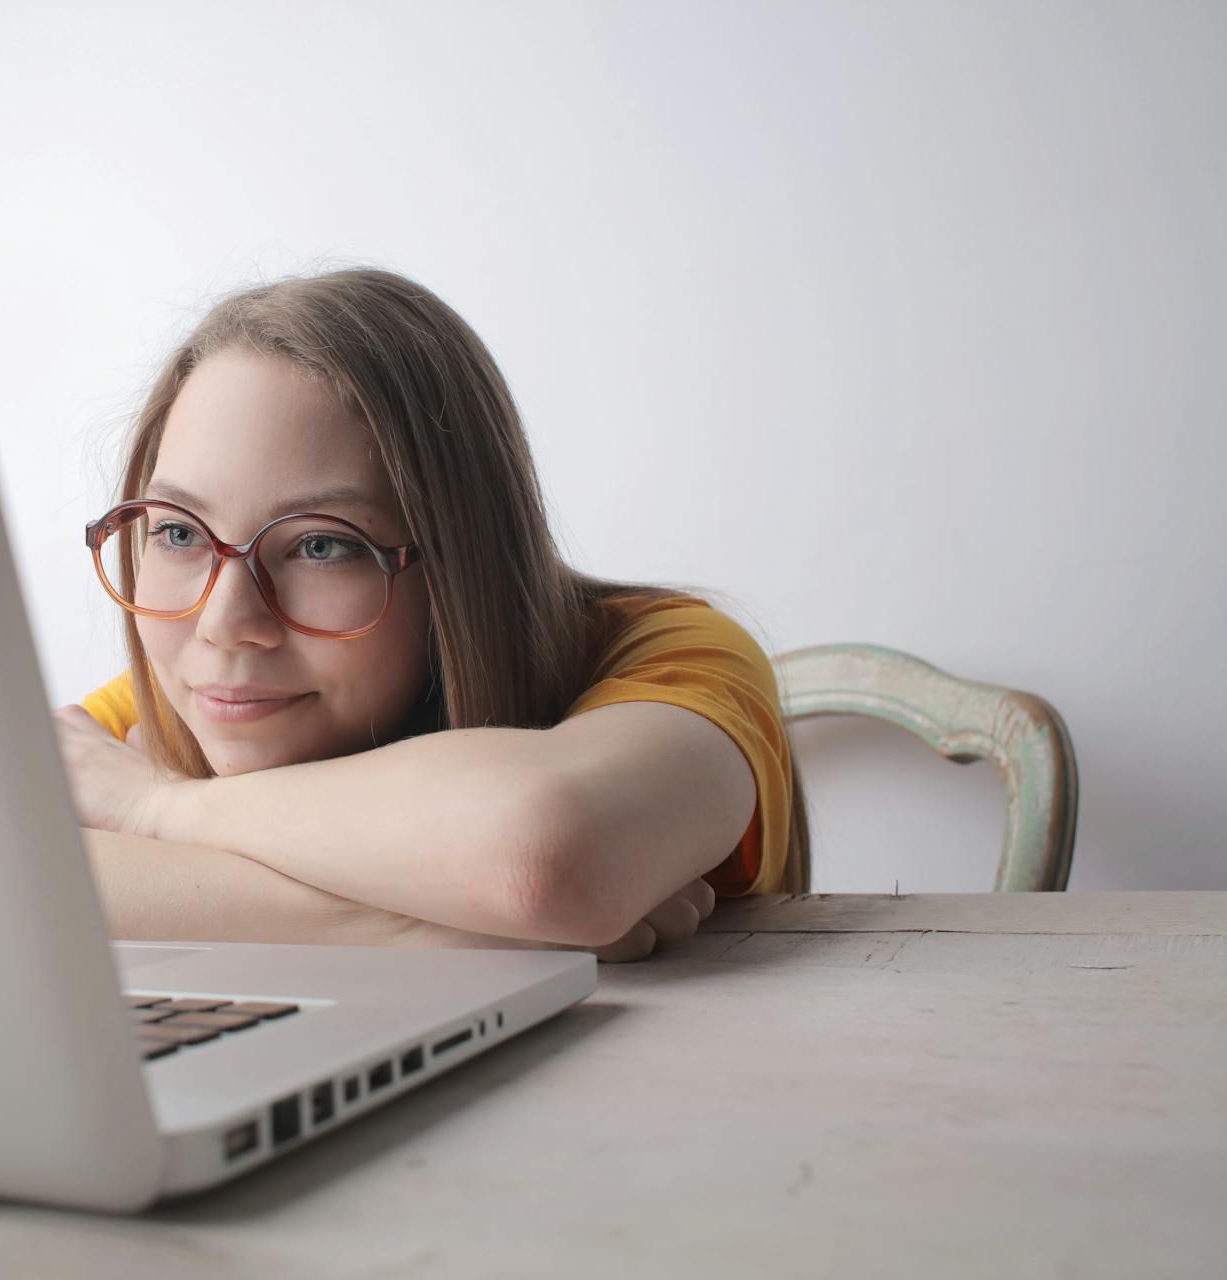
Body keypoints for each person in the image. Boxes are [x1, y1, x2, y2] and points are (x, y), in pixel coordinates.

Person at [53, 267, 808, 961]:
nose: (223, 622)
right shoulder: (205, 694)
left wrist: (159, 808)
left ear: (459, 561)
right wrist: (445, 923)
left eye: (321, 545)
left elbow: (541, 855)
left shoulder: (666, 651)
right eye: (178, 533)